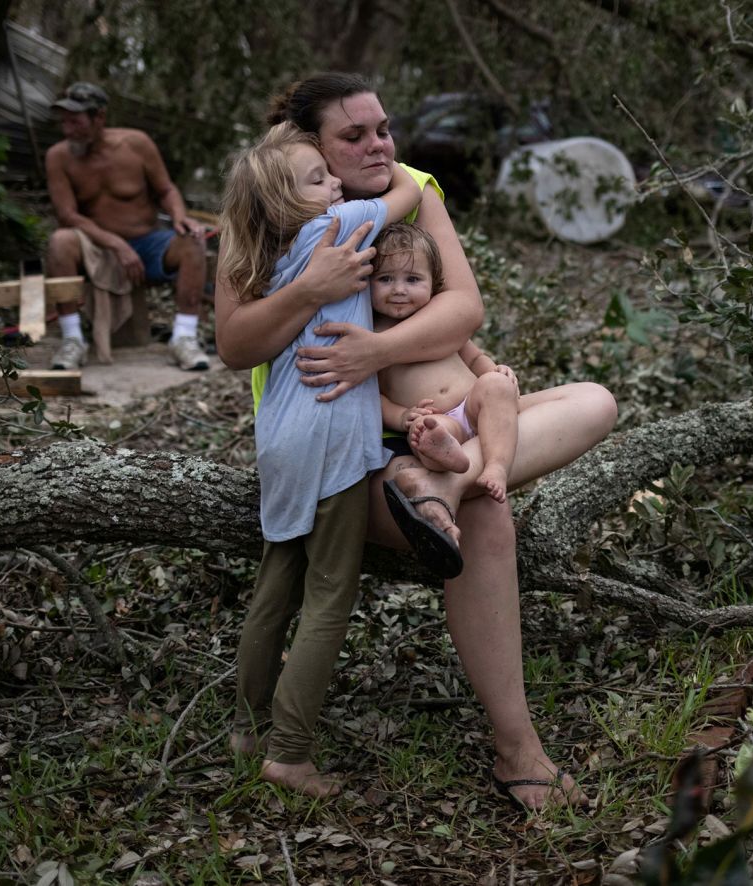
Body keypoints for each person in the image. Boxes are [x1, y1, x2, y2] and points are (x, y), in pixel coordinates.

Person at [215, 73, 618, 811]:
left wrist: (374, 349)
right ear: (310, 150)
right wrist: (317, 303)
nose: (378, 145)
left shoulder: (414, 189)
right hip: (352, 453)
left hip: (448, 428)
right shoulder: (275, 210)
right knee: (489, 522)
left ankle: (447, 479)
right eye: (353, 136)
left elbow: (465, 306)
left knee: (596, 400)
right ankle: (518, 751)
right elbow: (235, 342)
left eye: (383, 128)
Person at [222, 124, 423, 797]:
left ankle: (248, 727)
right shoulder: (339, 225)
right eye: (317, 177)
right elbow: (402, 192)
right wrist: (394, 173)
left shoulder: (273, 258)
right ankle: (290, 751)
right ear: (290, 204)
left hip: (279, 431)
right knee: (331, 592)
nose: (333, 183)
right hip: (330, 434)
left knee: (279, 576)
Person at [44, 81, 211, 372]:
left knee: (192, 241)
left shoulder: (136, 145)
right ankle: (72, 340)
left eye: (75, 121)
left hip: (146, 243)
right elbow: (67, 215)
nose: (67, 129)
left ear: (99, 118)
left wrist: (179, 215)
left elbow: (166, 190)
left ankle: (183, 337)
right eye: (64, 121)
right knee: (60, 241)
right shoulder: (59, 157)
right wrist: (115, 244)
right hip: (95, 248)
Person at [371, 222, 520, 506]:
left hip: (473, 405)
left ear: (434, 282)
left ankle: (497, 467)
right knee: (427, 433)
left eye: (413, 280)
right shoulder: (372, 336)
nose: (399, 289)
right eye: (386, 279)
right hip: (438, 417)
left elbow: (473, 357)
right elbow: (372, 396)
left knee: (496, 386)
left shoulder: (437, 320)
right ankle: (444, 456)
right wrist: (402, 416)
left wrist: (494, 371)